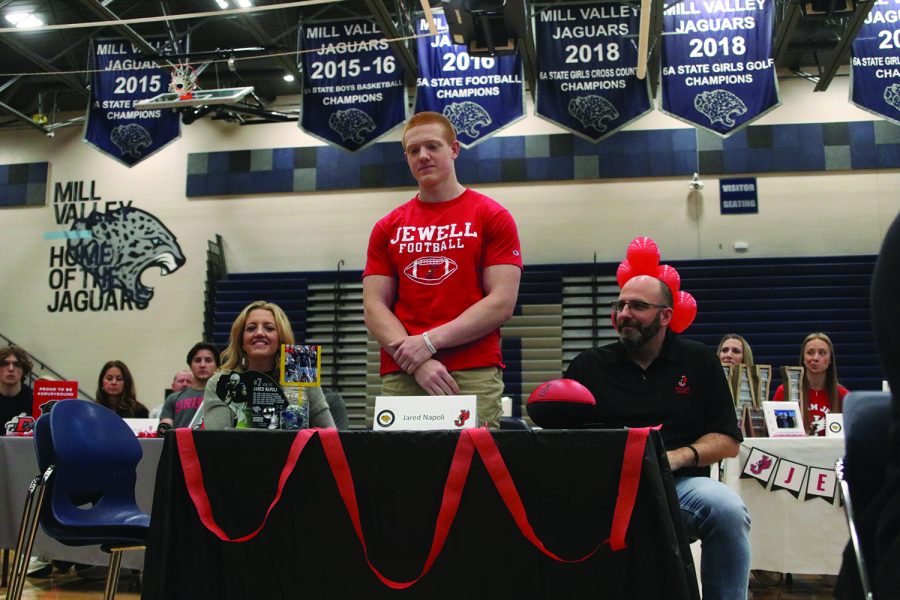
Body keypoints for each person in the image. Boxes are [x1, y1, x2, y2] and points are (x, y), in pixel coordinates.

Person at [565, 275, 750, 600]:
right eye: (620, 305)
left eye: (638, 306)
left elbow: (728, 440)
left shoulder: (699, 361)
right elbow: (561, 440)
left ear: (665, 315)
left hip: (677, 487)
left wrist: (678, 456)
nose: (624, 313)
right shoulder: (588, 366)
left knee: (727, 510)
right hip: (605, 490)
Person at [362, 111, 523, 428]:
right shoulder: (387, 227)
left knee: (473, 470)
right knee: (400, 472)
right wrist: (417, 361)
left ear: (454, 149)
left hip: (471, 370)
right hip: (404, 370)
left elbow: (502, 301)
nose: (422, 156)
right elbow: (374, 307)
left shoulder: (492, 216)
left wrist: (429, 343)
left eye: (432, 146)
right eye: (413, 150)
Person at [199, 300, 335, 429]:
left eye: (269, 328)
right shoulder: (220, 381)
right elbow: (216, 441)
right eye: (251, 328)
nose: (259, 333)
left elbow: (330, 436)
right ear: (241, 341)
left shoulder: (301, 373)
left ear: (281, 339)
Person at [772, 332, 848, 436]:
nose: (815, 358)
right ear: (803, 358)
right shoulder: (784, 391)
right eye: (810, 353)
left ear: (830, 359)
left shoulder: (843, 395)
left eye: (822, 353)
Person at [159, 342, 219, 429]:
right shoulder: (173, 398)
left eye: (208, 360)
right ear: (190, 366)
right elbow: (165, 429)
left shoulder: (224, 396)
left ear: (217, 366)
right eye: (197, 360)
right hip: (181, 442)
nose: (202, 365)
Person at [0, 346, 33, 435]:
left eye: (17, 365)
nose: (11, 369)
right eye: (5, 364)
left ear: (23, 370)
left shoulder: (33, 399)